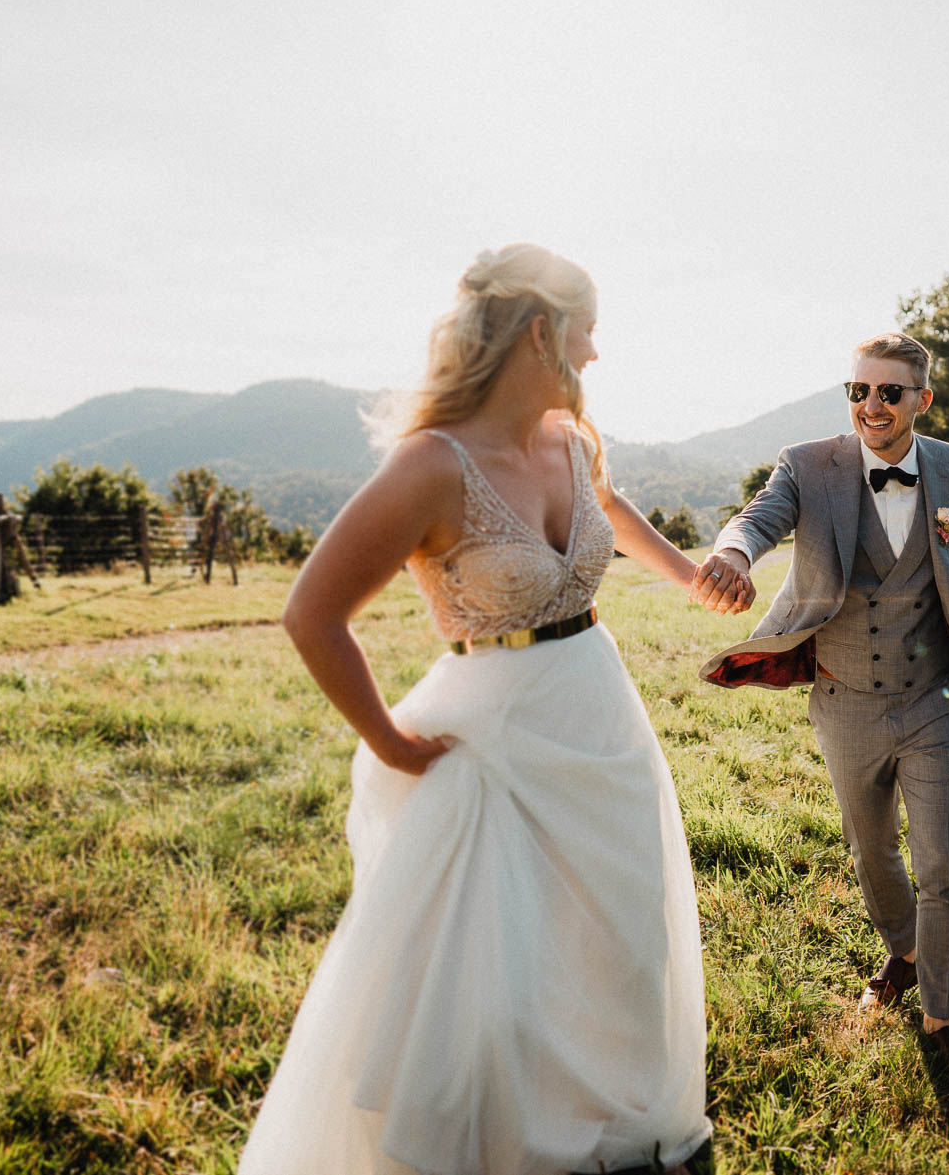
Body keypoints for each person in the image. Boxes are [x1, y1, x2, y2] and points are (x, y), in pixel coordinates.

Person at [239, 244, 734, 1175]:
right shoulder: (432, 464)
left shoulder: (574, 441)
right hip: (494, 738)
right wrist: (385, 738)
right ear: (542, 330)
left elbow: (611, 508)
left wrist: (687, 572)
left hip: (600, 715)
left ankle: (610, 1126)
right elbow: (312, 612)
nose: (596, 352)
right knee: (500, 979)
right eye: (587, 329)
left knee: (622, 944)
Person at [689, 331, 949, 1095]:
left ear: (922, 399)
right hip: (843, 699)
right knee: (871, 850)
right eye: (858, 391)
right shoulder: (809, 465)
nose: (871, 405)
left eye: (889, 392)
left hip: (934, 701)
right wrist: (735, 553)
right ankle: (903, 950)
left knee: (945, 863)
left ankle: (942, 1022)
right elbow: (760, 516)